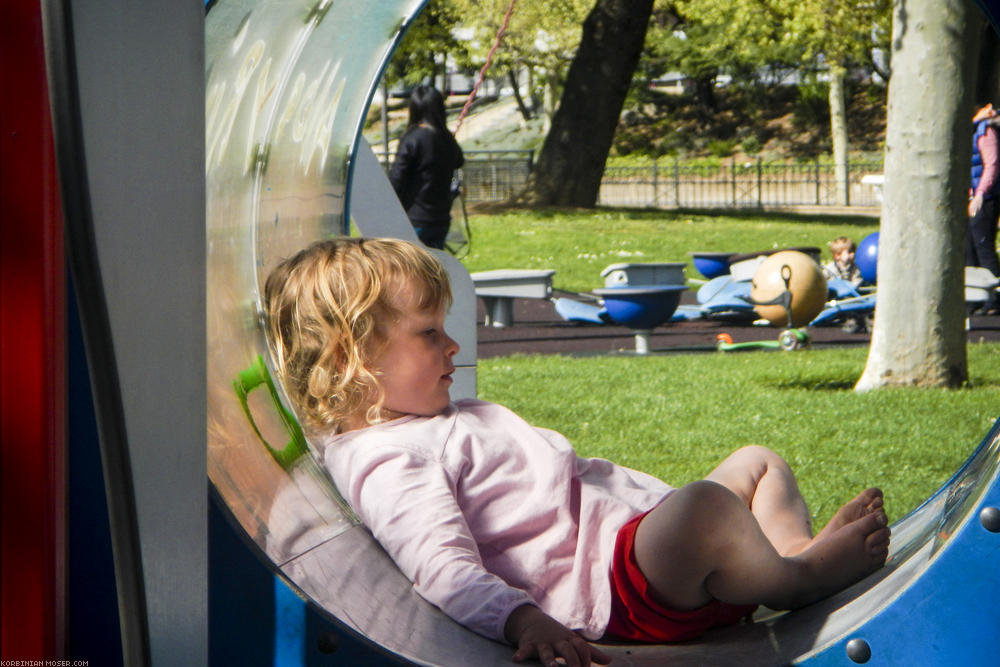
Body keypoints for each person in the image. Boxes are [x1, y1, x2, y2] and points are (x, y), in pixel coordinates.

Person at [264, 238, 891, 667]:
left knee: (756, 461)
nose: (453, 347)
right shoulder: (387, 459)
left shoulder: (426, 419)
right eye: (429, 334)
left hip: (640, 548)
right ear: (352, 358)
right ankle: (801, 580)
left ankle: (789, 554)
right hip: (616, 588)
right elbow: (442, 568)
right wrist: (523, 620)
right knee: (705, 506)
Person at [389, 84, 464, 250]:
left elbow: (397, 178)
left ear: (414, 109)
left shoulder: (412, 138)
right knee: (435, 269)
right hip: (441, 219)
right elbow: (459, 161)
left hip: (415, 218)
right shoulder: (446, 138)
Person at [968, 102, 1000, 313]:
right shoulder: (969, 130)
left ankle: (994, 297)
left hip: (986, 197)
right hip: (971, 195)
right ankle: (974, 296)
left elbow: (992, 164)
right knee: (968, 246)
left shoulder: (985, 130)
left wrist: (980, 193)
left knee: (983, 244)